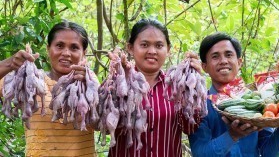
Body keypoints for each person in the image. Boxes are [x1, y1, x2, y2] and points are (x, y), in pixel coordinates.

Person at [0, 21, 96, 156]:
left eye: (74, 47)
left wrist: (91, 87)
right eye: (59, 46)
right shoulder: (31, 80)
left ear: (84, 53)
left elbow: (105, 127)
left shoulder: (91, 85)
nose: (66, 53)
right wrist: (10, 63)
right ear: (48, 49)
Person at [108, 18, 202, 157]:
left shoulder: (177, 86)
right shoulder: (117, 82)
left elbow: (190, 127)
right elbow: (101, 126)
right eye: (144, 45)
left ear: (168, 49)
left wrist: (194, 87)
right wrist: (115, 77)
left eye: (159, 46)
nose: (152, 51)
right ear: (130, 48)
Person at [188, 32, 279, 157]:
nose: (223, 61)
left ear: (239, 62)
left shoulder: (259, 102)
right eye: (215, 56)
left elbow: (268, 152)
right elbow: (200, 153)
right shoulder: (198, 107)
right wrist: (232, 136)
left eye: (229, 54)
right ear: (205, 67)